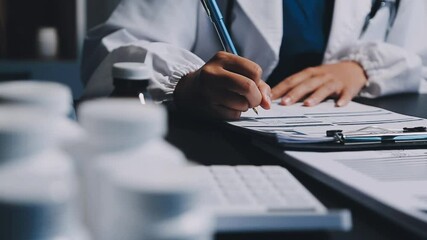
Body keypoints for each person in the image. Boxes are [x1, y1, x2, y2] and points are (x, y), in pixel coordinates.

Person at [81, 0, 427, 120]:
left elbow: (419, 56)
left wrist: (362, 67)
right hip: (221, 150)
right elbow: (111, 51)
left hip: (346, 150)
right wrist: (184, 85)